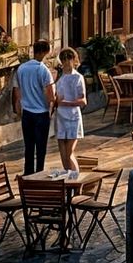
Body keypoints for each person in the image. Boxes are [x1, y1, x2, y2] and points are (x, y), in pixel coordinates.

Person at [11, 40, 54, 176]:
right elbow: (50, 94)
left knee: (29, 147)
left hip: (27, 113)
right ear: (44, 52)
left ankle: (28, 174)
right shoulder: (43, 70)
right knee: (41, 148)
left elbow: (17, 92)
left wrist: (18, 110)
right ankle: (39, 174)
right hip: (41, 113)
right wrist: (50, 107)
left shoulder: (21, 68)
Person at [52, 47, 87, 172]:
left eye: (69, 59)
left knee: (69, 152)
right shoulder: (60, 78)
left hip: (72, 117)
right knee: (63, 155)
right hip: (60, 116)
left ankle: (76, 179)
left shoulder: (78, 77)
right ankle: (68, 180)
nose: (66, 62)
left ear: (74, 60)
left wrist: (67, 103)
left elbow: (83, 101)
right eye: (64, 59)